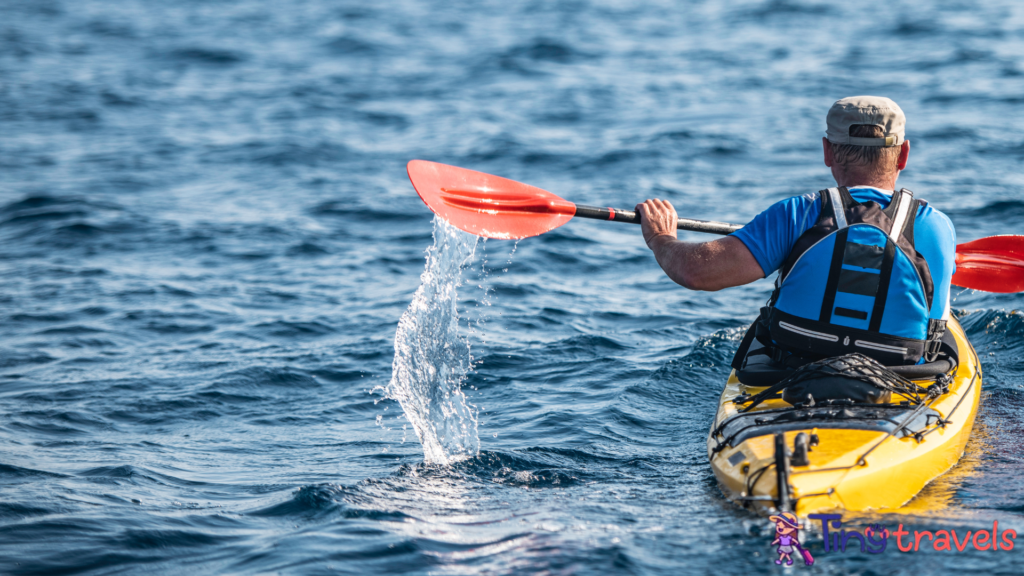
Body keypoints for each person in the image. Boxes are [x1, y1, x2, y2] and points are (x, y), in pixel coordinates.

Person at [636, 96, 956, 368]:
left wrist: (660, 238)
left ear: (827, 151)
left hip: (793, 375)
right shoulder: (936, 226)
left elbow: (697, 272)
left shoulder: (796, 214)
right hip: (905, 383)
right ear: (904, 154)